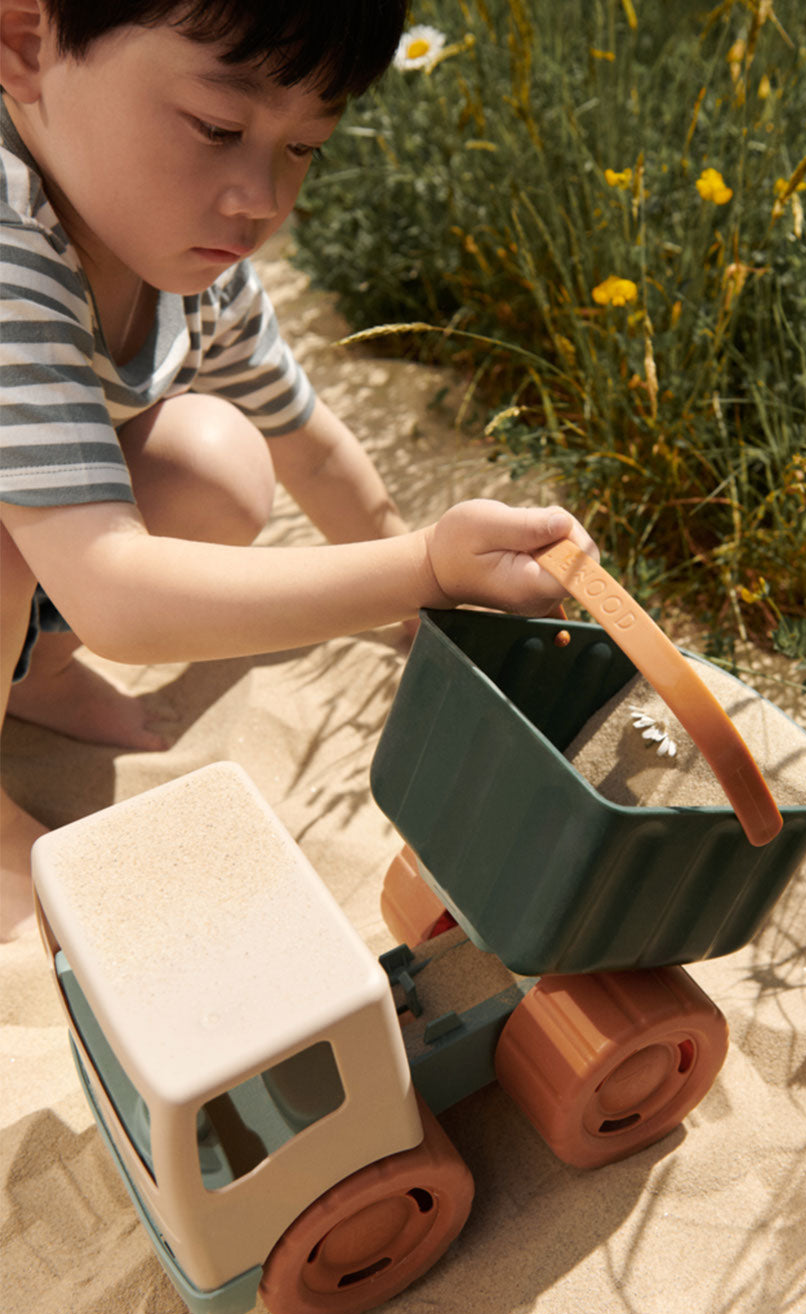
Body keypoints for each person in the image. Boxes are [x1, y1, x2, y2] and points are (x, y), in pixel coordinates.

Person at [0, 0, 596, 934]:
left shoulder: (178, 249)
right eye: (217, 128)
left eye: (302, 147)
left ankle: (27, 673)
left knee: (217, 460)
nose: (262, 197)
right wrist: (424, 564)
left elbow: (307, 446)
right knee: (18, 536)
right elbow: (113, 590)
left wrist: (424, 615)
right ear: (27, 45)